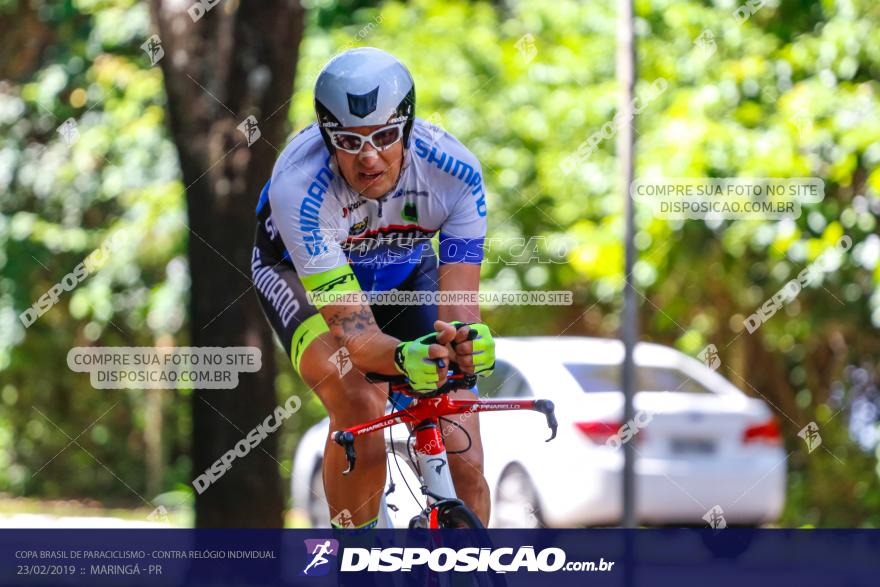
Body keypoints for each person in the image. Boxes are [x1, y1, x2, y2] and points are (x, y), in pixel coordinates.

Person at [252, 47, 495, 528]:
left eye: (385, 136)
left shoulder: (455, 173)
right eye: (347, 140)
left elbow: (460, 312)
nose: (368, 157)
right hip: (298, 278)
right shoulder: (298, 189)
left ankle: (468, 567)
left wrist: (469, 344)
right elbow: (356, 337)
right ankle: (361, 562)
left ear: (406, 126)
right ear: (326, 136)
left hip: (404, 274)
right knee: (360, 400)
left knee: (459, 427)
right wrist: (403, 358)